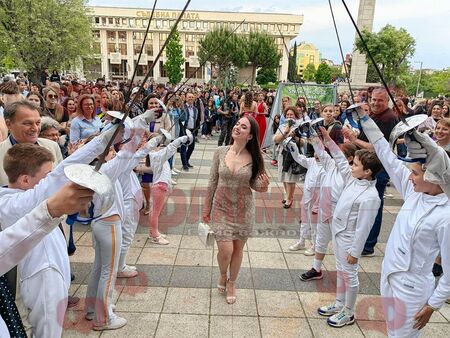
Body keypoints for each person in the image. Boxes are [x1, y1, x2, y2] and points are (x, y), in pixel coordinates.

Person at [358, 107, 450, 337]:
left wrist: (433, 305)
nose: (410, 177)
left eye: (415, 173)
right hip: (389, 275)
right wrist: (364, 118)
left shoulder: (445, 216)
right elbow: (387, 157)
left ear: (434, 177)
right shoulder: (414, 191)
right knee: (392, 333)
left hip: (412, 289)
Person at [0, 182, 94, 338]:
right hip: (44, 276)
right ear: (25, 180)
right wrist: (52, 209)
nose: (51, 181)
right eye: (47, 175)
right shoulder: (12, 203)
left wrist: (53, 210)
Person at [315, 126, 382, 327]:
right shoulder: (353, 179)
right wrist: (326, 139)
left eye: (356, 165)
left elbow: (364, 228)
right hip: (339, 233)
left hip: (350, 239)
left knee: (349, 274)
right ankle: (339, 303)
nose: (351, 166)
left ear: (368, 172)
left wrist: (355, 251)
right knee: (339, 270)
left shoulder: (371, 197)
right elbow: (338, 158)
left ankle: (349, 312)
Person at [203, 117, 269, 304]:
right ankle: (223, 274)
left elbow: (256, 184)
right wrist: (206, 207)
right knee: (225, 250)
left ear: (250, 136)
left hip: (244, 210)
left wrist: (262, 186)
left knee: (238, 250)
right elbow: (212, 182)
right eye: (237, 124)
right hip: (220, 208)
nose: (238, 127)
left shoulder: (256, 157)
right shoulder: (220, 152)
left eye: (244, 126)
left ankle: (232, 282)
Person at [342, 88, 398, 256]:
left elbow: (379, 147)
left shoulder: (388, 118)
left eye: (380, 100)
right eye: (373, 99)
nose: (375, 103)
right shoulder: (374, 115)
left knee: (373, 207)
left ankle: (368, 245)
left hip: (378, 169)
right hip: (367, 166)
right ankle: (363, 240)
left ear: (387, 100)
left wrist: (354, 139)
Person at [300, 137, 357, 281]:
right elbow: (322, 152)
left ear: (349, 158)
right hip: (325, 211)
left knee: (341, 246)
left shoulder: (350, 173)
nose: (335, 155)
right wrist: (313, 136)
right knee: (321, 240)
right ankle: (316, 269)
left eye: (340, 153)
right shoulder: (331, 165)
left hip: (340, 216)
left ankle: (345, 274)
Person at [0, 101, 63, 186]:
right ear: (9, 124)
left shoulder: (52, 146)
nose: (35, 128)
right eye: (28, 123)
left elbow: (60, 182)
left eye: (38, 123)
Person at [287, 143, 324, 256]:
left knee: (314, 223)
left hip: (318, 199)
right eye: (315, 152)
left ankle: (315, 245)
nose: (316, 155)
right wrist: (292, 146)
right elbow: (299, 158)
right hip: (307, 197)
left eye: (320, 153)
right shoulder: (312, 161)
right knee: (304, 221)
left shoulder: (327, 166)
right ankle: (302, 241)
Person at [272, 106, 304, 209]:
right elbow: (276, 140)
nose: (289, 117)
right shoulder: (282, 126)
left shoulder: (300, 127)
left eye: (292, 115)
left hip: (293, 155)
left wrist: (295, 136)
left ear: (296, 116)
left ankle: (290, 198)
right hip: (283, 154)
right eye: (287, 115)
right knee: (284, 177)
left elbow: (303, 142)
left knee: (290, 178)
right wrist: (285, 133)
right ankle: (287, 195)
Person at [179, 92, 198, 171]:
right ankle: (184, 164)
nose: (191, 98)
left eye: (192, 97)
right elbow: (181, 119)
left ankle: (186, 160)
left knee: (191, 147)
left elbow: (195, 119)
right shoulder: (183, 108)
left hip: (192, 130)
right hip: (184, 130)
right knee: (183, 147)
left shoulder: (195, 109)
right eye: (189, 97)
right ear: (186, 98)